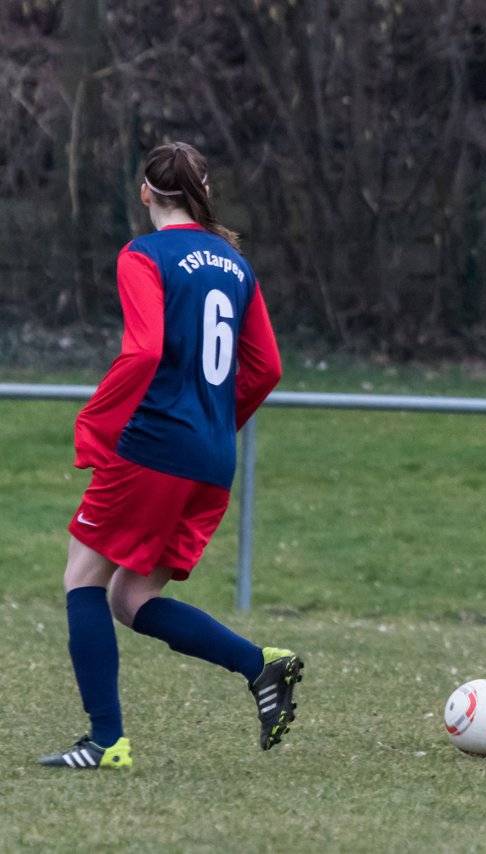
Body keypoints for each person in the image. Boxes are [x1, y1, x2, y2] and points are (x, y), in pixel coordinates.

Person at [39, 142, 299, 770]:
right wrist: (214, 424)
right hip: (211, 458)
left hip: (153, 447)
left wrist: (96, 424)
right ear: (203, 189)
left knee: (83, 578)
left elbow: (144, 351)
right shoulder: (235, 265)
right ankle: (259, 664)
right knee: (131, 600)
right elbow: (267, 369)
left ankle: (106, 742)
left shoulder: (142, 253)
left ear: (145, 193)